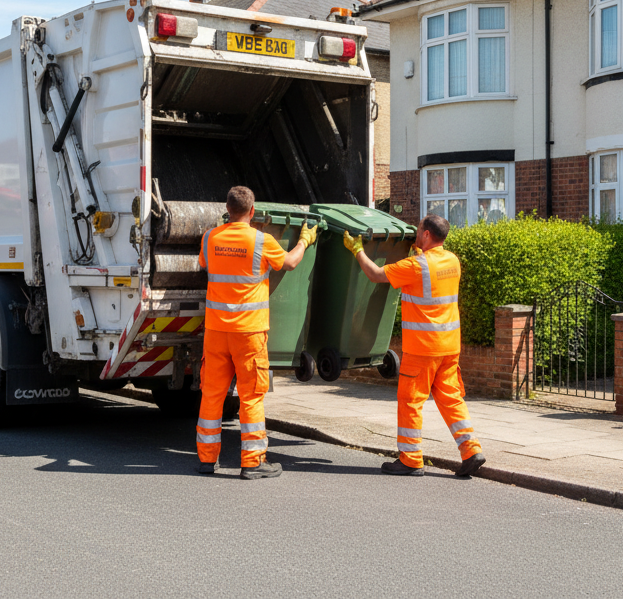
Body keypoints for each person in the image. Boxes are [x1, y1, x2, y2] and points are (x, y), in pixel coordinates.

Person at [343, 213, 485, 478]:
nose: (417, 233)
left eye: (419, 230)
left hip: (422, 349)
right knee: (451, 399)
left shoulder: (416, 266)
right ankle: (471, 450)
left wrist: (358, 250)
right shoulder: (452, 261)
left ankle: (410, 459)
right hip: (449, 347)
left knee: (410, 401)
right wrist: (417, 249)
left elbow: (375, 274)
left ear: (428, 235)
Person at [197, 186, 317, 480]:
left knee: (211, 393)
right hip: (248, 332)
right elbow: (289, 263)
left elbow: (204, 265)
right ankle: (252, 462)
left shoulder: (210, 238)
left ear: (228, 209)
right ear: (253, 212)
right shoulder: (262, 241)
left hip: (216, 330)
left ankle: (206, 459)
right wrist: (304, 240)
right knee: (251, 395)